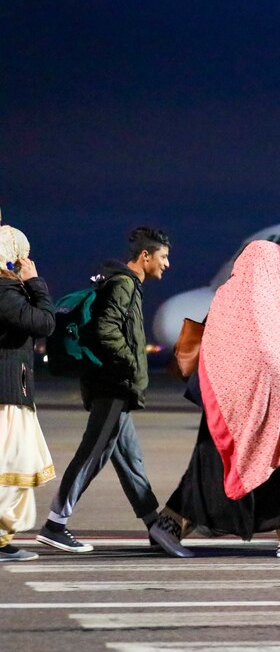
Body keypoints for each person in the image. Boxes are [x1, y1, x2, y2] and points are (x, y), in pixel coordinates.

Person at [148, 240, 280, 557]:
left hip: (224, 404)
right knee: (268, 468)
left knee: (213, 471)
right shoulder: (262, 302)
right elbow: (271, 356)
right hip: (254, 407)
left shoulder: (228, 297)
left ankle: (171, 525)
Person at [39, 227, 171, 554]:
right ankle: (56, 524)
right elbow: (105, 328)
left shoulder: (124, 284)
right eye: (163, 257)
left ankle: (155, 526)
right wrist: (127, 364)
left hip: (115, 386)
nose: (166, 264)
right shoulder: (124, 284)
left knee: (130, 462)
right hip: (113, 385)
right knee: (93, 454)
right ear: (146, 256)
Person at [0, 222, 56, 562]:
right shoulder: (5, 294)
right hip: (7, 394)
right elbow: (45, 322)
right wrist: (34, 281)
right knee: (12, 463)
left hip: (11, 390)